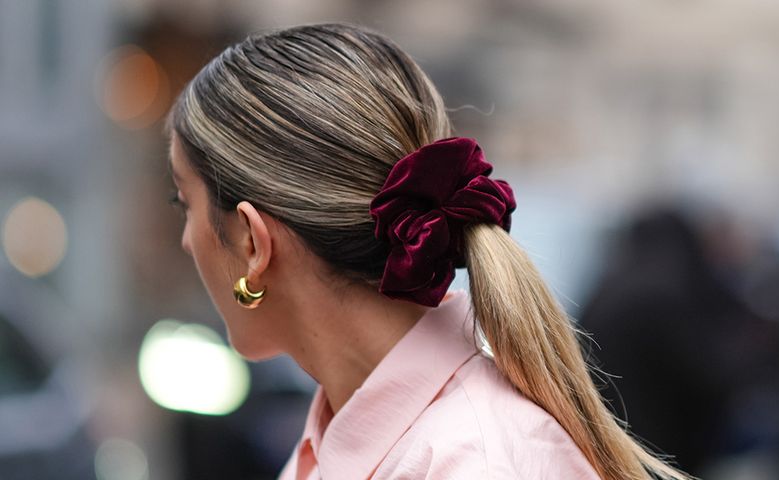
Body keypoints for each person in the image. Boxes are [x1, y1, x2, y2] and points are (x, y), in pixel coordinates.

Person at [163, 22, 690, 480]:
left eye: (184, 202)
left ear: (254, 242)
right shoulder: (348, 431)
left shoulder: (478, 462)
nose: (186, 239)